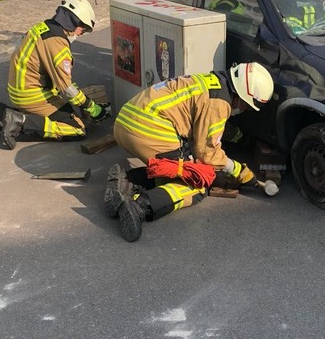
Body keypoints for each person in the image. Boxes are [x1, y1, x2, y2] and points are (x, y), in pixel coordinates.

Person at [105, 63, 275, 242]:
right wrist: (239, 171)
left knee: (176, 169)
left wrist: (243, 140)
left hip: (125, 123)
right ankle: (139, 206)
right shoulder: (219, 102)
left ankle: (127, 181)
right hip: (147, 131)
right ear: (242, 94)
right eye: (248, 106)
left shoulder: (212, 82)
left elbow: (211, 126)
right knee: (197, 183)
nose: (246, 109)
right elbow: (206, 153)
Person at [0, 0, 110, 149]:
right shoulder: (57, 44)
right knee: (77, 129)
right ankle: (21, 121)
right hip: (33, 96)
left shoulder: (43, 27)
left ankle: (3, 114)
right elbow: (65, 88)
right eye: (82, 30)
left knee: (67, 110)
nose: (80, 34)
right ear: (74, 22)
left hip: (19, 90)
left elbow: (56, 76)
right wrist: (91, 107)